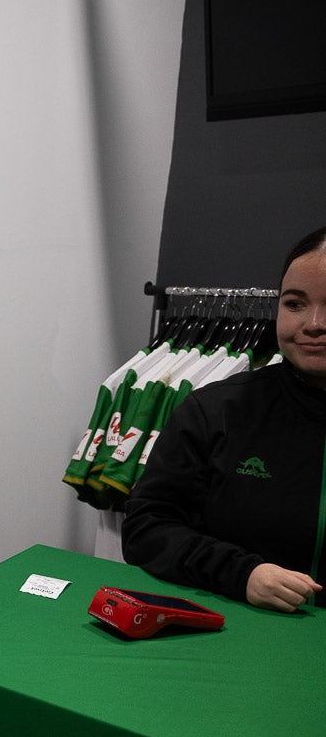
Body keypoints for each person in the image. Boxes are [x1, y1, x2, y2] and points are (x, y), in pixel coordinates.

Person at [122, 225, 326, 613]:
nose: (313, 323)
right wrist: (242, 574)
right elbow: (146, 527)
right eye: (295, 303)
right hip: (236, 638)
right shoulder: (215, 410)